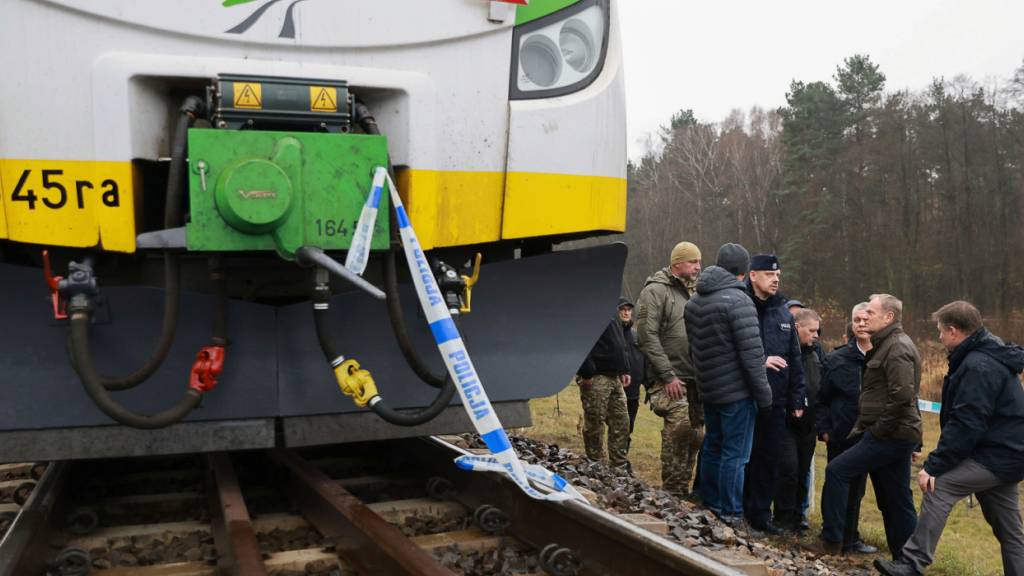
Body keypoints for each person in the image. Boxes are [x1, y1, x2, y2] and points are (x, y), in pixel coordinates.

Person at [875, 301, 1024, 576]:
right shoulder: (985, 353)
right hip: (1007, 453)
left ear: (954, 331)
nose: (939, 337)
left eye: (941, 331)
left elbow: (967, 422)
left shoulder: (978, 365)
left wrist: (935, 465)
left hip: (997, 455)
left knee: (938, 486)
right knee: (1009, 529)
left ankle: (911, 563)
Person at [820, 294, 921, 557]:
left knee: (838, 471)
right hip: (892, 433)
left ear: (888, 317)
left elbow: (902, 397)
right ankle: (906, 559)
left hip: (890, 434)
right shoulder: (885, 344)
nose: (866, 318)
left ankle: (832, 542)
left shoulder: (896, 347)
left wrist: (876, 430)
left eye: (872, 313)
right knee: (894, 498)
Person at [684, 243, 772, 526]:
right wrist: (765, 396)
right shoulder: (739, 301)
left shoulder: (694, 302)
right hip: (737, 392)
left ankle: (709, 502)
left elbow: (693, 351)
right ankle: (731, 512)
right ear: (744, 271)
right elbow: (752, 356)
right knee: (735, 454)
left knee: (713, 447)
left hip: (709, 389)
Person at [743, 254, 807, 534]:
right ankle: (736, 510)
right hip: (745, 396)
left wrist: (796, 398)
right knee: (744, 457)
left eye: (778, 274)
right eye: (769, 274)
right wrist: (760, 362)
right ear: (753, 275)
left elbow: (795, 357)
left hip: (777, 400)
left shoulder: (783, 311)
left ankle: (760, 515)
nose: (776, 279)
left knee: (769, 459)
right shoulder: (742, 305)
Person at [636, 242, 704, 497]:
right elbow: (647, 336)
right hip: (669, 379)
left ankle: (683, 491)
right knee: (679, 430)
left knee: (697, 436)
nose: (698, 266)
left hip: (695, 379)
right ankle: (672, 493)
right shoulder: (655, 291)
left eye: (699, 261)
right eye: (692, 262)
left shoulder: (697, 292)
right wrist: (668, 376)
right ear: (677, 263)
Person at [815, 304, 878, 555]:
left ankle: (851, 539)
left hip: (872, 435)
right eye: (856, 320)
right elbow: (822, 398)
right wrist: (825, 429)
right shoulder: (836, 359)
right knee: (837, 486)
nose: (861, 324)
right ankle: (831, 537)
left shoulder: (885, 356)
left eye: (865, 319)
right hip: (841, 434)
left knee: (858, 490)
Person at [775, 307, 821, 532]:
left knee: (803, 471)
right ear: (797, 328)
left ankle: (797, 516)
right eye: (811, 330)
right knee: (789, 470)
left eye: (817, 331)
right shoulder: (783, 353)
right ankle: (782, 517)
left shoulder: (815, 353)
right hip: (786, 422)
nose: (816, 335)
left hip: (809, 424)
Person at [577, 306, 632, 471]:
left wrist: (625, 368)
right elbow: (581, 340)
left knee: (622, 422)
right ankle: (595, 464)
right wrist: (586, 372)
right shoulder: (587, 309)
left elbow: (619, 342)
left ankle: (619, 465)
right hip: (596, 375)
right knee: (595, 421)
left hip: (614, 376)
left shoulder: (610, 308)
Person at [618, 297, 646, 443]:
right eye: (622, 310)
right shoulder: (611, 333)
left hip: (633, 390)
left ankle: (622, 457)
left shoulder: (636, 335)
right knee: (614, 425)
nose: (626, 313)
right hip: (614, 388)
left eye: (628, 310)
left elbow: (644, 359)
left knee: (629, 425)